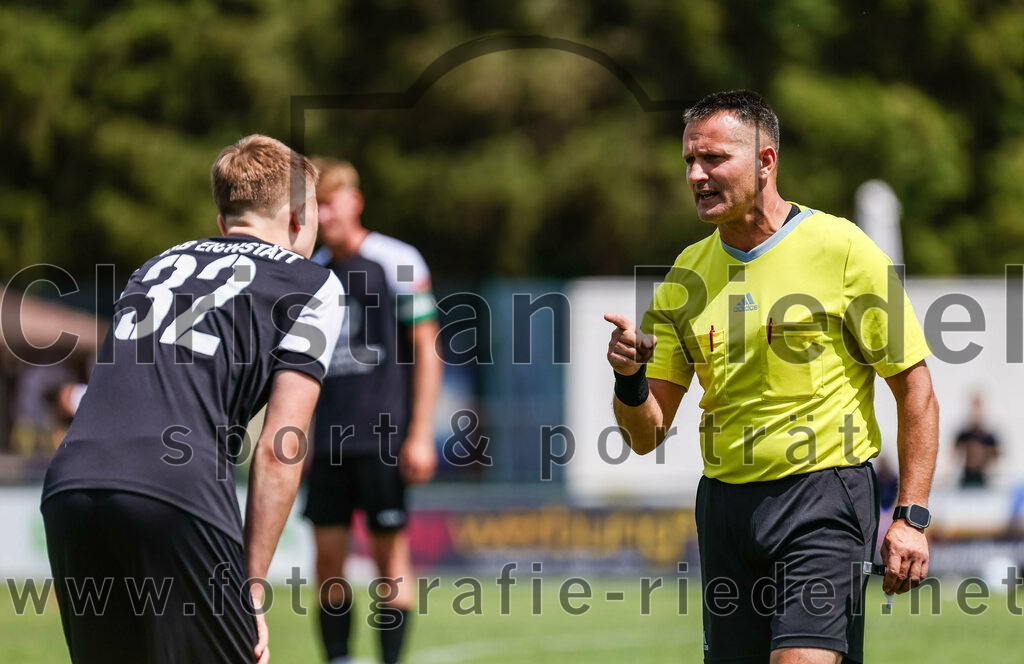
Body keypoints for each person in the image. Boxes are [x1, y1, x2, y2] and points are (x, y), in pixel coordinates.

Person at [605, 91, 939, 664]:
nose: (696, 174)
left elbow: (916, 391)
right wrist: (631, 379)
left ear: (766, 162)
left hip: (824, 496)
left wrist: (910, 516)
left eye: (713, 159)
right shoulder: (685, 275)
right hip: (724, 509)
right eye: (689, 160)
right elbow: (645, 435)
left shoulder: (842, 249)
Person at [41, 135, 346, 664]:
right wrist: (249, 587)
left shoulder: (153, 267)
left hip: (70, 483)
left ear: (223, 217)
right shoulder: (312, 283)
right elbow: (280, 448)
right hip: (174, 487)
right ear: (299, 215)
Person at [303, 159, 442, 664]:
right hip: (327, 444)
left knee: (390, 562)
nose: (322, 213)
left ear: (355, 201)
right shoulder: (310, 272)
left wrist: (421, 432)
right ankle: (338, 658)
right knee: (327, 563)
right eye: (313, 206)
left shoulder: (396, 260)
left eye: (329, 201)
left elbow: (428, 347)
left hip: (384, 439)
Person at [953, 392, 999, 488]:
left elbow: (996, 456)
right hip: (966, 477)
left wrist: (983, 454)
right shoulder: (964, 434)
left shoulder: (988, 436)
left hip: (982, 477)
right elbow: (954, 454)